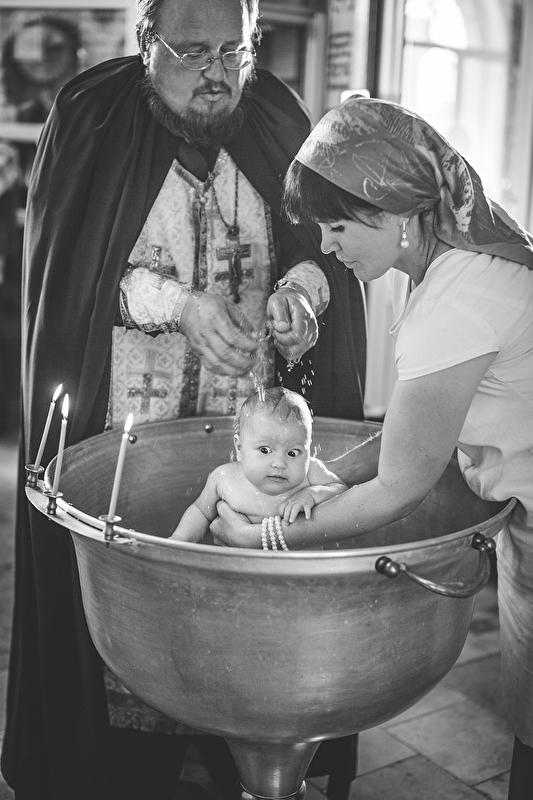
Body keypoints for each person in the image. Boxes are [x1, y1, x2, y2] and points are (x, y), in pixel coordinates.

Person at [0, 1, 366, 798]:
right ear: (147, 44)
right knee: (131, 608)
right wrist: (181, 306)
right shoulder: (92, 117)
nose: (216, 73)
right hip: (126, 430)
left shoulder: (275, 117)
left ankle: (246, 750)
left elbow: (321, 251)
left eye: (234, 51)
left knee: (246, 612)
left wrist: (301, 297)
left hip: (253, 439)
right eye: (193, 50)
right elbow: (74, 282)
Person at [210, 96, 533, 800]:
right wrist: (323, 475)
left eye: (337, 226)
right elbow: (415, 429)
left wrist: (264, 537)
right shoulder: (456, 267)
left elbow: (399, 487)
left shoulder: (454, 302)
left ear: (395, 212)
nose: (326, 248)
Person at [172, 387, 347, 543]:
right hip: (239, 564)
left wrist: (312, 494)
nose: (279, 463)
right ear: (240, 448)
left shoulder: (311, 473)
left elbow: (342, 490)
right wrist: (180, 539)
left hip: (300, 566)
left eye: (293, 453)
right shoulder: (224, 478)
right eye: (265, 450)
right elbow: (201, 511)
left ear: (308, 451)